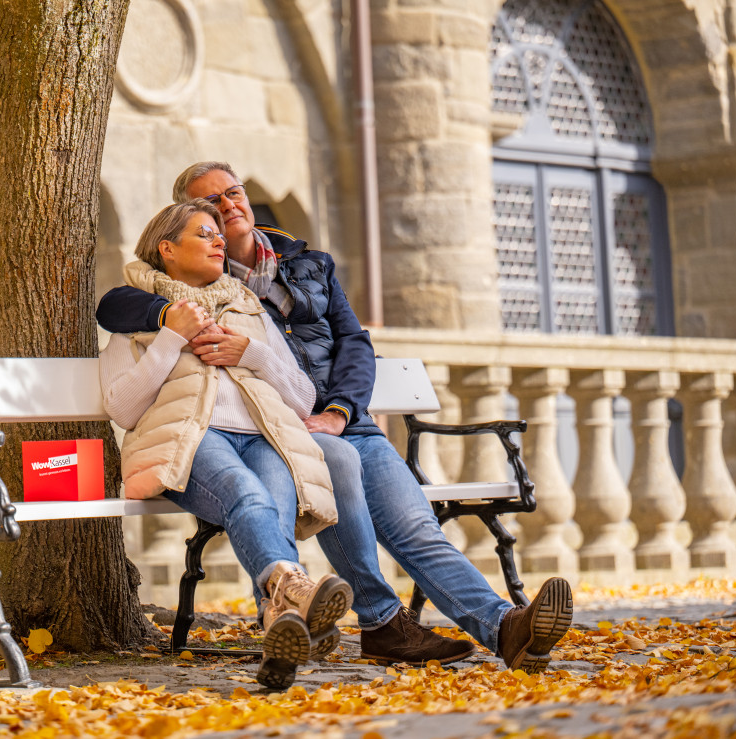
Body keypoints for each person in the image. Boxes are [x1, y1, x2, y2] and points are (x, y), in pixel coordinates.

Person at [97, 162, 574, 674]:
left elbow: (353, 343)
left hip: (334, 421)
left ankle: (504, 627)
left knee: (416, 528)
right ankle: (333, 622)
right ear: (179, 225)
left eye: (233, 193)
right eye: (209, 208)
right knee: (307, 474)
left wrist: (340, 411)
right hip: (278, 426)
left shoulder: (303, 265)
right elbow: (118, 305)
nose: (227, 209)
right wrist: (170, 322)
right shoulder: (176, 294)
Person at [99, 199, 354, 689]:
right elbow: (123, 408)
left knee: (271, 506)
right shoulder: (136, 315)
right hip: (189, 441)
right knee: (246, 492)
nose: (220, 240)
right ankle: (292, 598)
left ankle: (281, 626)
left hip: (263, 436)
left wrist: (252, 352)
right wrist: (171, 339)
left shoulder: (246, 306)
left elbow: (302, 398)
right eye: (203, 233)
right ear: (166, 249)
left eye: (219, 232)